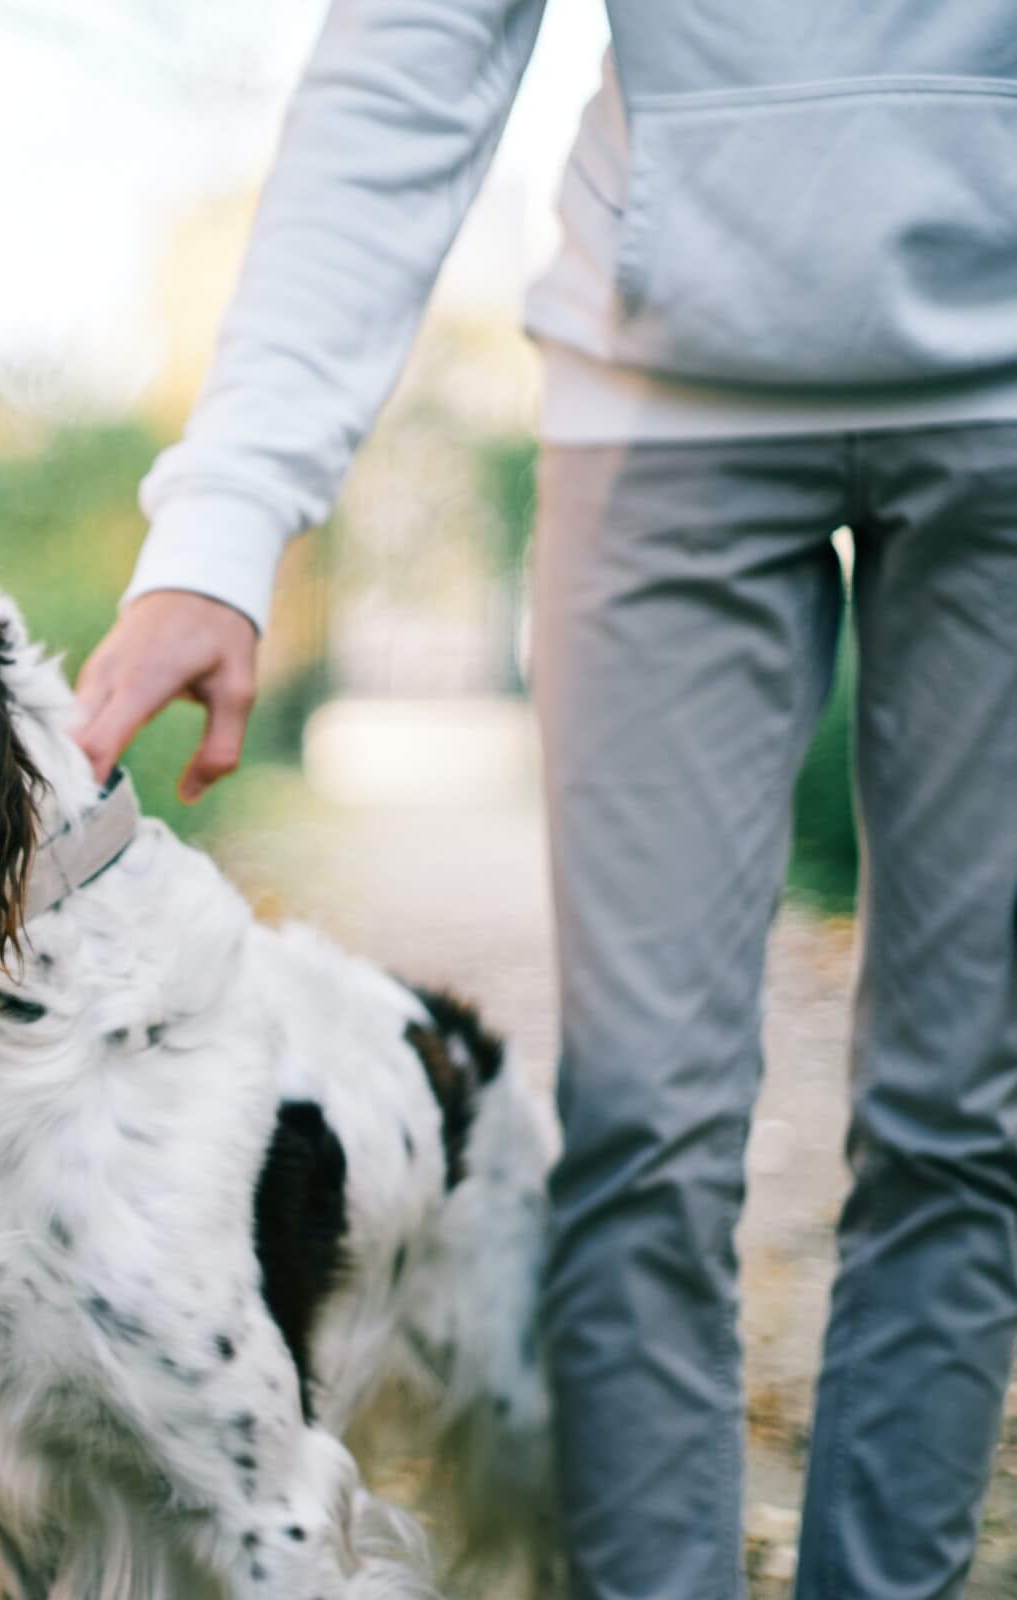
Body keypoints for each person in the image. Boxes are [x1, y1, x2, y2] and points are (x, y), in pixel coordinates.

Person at [72, 3, 1017, 1595]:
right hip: (659, 413)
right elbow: (408, 58)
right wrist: (223, 526)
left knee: (961, 1117)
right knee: (647, 1122)